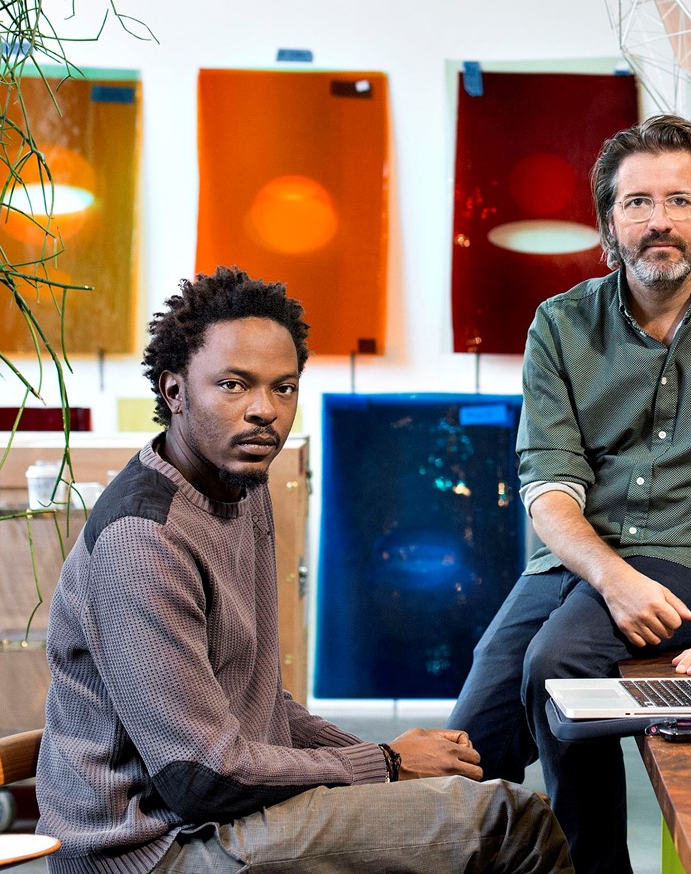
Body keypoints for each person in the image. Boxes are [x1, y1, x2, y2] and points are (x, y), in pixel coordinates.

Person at [37, 267, 570, 874]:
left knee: (476, 802)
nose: (264, 411)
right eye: (234, 385)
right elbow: (199, 777)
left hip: (214, 817)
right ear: (174, 391)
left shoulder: (242, 486)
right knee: (512, 821)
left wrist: (383, 758)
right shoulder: (144, 538)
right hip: (153, 850)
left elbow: (262, 705)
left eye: (283, 387)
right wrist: (389, 765)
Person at [450, 115, 691, 874]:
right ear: (609, 220)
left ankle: (594, 866)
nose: (659, 221)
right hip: (578, 563)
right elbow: (549, 488)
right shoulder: (559, 326)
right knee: (468, 744)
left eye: (679, 201)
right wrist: (614, 579)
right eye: (637, 203)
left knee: (557, 662)